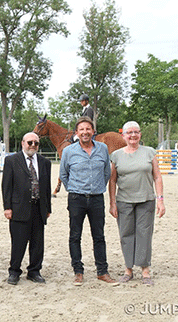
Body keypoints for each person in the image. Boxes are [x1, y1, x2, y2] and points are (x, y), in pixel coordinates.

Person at [59, 116, 118, 286]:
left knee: (99, 236)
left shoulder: (103, 149)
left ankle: (102, 271)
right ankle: (78, 271)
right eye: (82, 129)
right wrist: (73, 189)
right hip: (76, 198)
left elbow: (107, 173)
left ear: (93, 131)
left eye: (88, 129)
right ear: (77, 133)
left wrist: (98, 187)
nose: (85, 132)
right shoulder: (69, 151)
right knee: (75, 236)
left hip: (97, 199)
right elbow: (63, 174)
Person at [108, 121, 166, 286]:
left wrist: (160, 200)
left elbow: (157, 177)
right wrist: (112, 202)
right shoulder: (116, 155)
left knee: (144, 234)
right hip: (124, 201)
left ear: (140, 134)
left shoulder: (149, 153)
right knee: (126, 234)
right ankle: (128, 269)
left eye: (136, 132)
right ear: (124, 135)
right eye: (129, 132)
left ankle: (145, 269)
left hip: (146, 200)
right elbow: (112, 181)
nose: (133, 135)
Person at [2, 132, 52, 285]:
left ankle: (34, 271)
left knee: (38, 243)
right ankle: (14, 271)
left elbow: (47, 187)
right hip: (19, 207)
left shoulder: (45, 162)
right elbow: (6, 186)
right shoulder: (12, 160)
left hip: (38, 208)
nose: (33, 146)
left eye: (36, 143)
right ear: (23, 143)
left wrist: (48, 207)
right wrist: (7, 207)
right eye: (30, 142)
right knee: (18, 242)